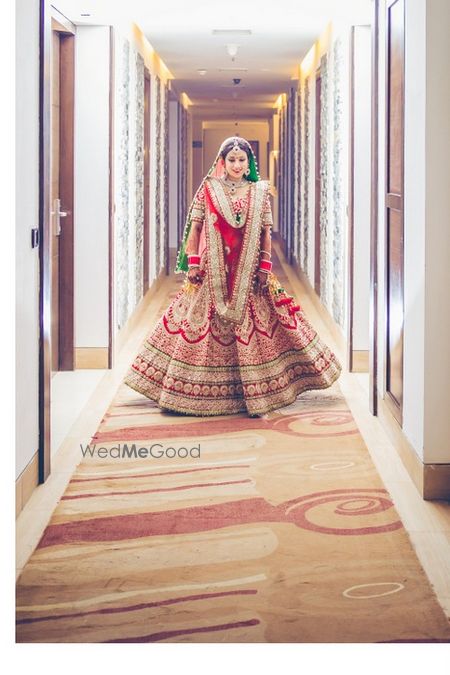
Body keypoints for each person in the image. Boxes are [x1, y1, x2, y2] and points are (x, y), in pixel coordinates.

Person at [124, 136, 342, 416]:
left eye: (242, 160)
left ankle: (261, 388)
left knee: (269, 324)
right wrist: (193, 263)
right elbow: (196, 228)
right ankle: (191, 390)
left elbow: (265, 233)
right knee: (194, 323)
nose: (237, 165)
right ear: (222, 162)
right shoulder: (209, 189)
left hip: (249, 273)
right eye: (232, 160)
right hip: (212, 270)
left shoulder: (260, 192)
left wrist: (265, 266)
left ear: (249, 162)